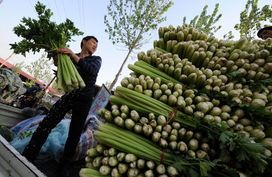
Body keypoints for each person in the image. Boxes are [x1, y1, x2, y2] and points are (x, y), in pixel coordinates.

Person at [22, 36, 102, 177]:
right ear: (83, 42)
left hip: (84, 99)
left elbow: (91, 71)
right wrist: (57, 57)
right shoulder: (70, 57)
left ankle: (63, 167)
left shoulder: (95, 60)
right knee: (47, 123)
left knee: (74, 134)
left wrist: (72, 55)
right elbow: (60, 68)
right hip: (70, 94)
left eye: (97, 44)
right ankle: (29, 154)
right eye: (93, 42)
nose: (95, 45)